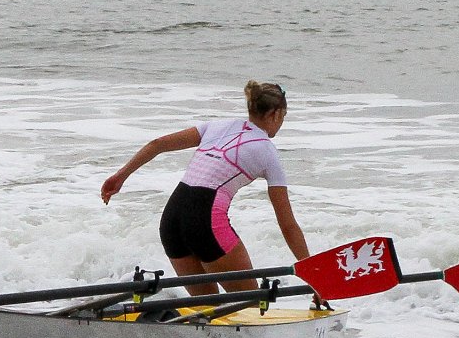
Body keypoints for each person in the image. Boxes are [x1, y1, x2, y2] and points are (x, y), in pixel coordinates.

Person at [100, 81, 310, 296]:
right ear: (275, 113)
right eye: (284, 116)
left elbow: (158, 144)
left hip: (171, 219)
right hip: (205, 223)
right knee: (251, 305)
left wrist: (120, 176)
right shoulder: (267, 152)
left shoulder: (217, 126)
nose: (282, 122)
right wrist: (311, 271)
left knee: (206, 308)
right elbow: (287, 225)